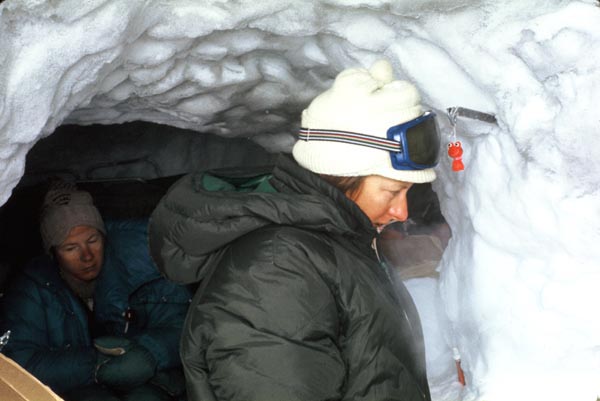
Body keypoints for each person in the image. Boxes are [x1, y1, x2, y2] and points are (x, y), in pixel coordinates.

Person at [149, 59, 439, 401]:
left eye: (408, 193)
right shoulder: (275, 268)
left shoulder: (340, 242)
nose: (401, 212)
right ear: (342, 176)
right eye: (392, 192)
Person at [0, 181, 192, 401]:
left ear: (104, 236)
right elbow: (17, 364)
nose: (87, 256)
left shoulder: (143, 266)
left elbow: (184, 326)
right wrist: (96, 364)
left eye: (93, 240)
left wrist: (149, 353)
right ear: (53, 252)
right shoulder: (33, 288)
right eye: (70, 248)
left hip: (151, 383)